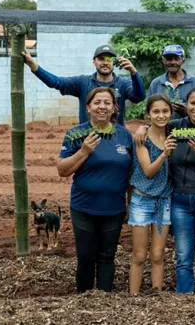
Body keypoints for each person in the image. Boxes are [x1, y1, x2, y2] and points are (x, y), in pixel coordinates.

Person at [138, 88, 195, 293]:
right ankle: (184, 297)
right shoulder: (175, 127)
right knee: (182, 255)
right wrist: (142, 129)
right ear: (186, 105)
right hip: (179, 200)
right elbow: (155, 126)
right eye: (193, 103)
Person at [56, 87, 134, 293]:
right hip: (84, 207)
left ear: (114, 108)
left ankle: (104, 299)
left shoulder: (124, 135)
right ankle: (83, 298)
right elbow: (62, 170)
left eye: (107, 103)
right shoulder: (76, 134)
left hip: (114, 209)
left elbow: (130, 175)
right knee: (86, 257)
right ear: (88, 107)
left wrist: (129, 203)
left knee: (107, 257)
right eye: (97, 102)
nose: (102, 107)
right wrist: (83, 151)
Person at [22, 44, 145, 126]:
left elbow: (139, 97)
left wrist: (134, 72)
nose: (105, 63)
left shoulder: (123, 83)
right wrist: (34, 66)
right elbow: (56, 82)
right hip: (87, 139)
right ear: (94, 62)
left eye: (109, 59)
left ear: (114, 63)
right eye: (101, 59)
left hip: (115, 138)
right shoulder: (82, 82)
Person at [129, 94, 175, 295]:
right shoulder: (142, 138)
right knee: (139, 254)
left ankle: (157, 295)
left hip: (164, 199)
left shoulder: (174, 135)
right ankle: (134, 296)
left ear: (171, 113)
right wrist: (164, 153)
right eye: (156, 111)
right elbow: (148, 170)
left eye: (165, 111)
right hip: (142, 199)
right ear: (148, 114)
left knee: (157, 254)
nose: (161, 115)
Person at [148, 45, 195, 119]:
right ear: (164, 61)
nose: (173, 62)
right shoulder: (156, 83)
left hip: (188, 129)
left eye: (176, 59)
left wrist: (187, 111)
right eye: (169, 59)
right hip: (163, 129)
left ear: (183, 60)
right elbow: (149, 110)